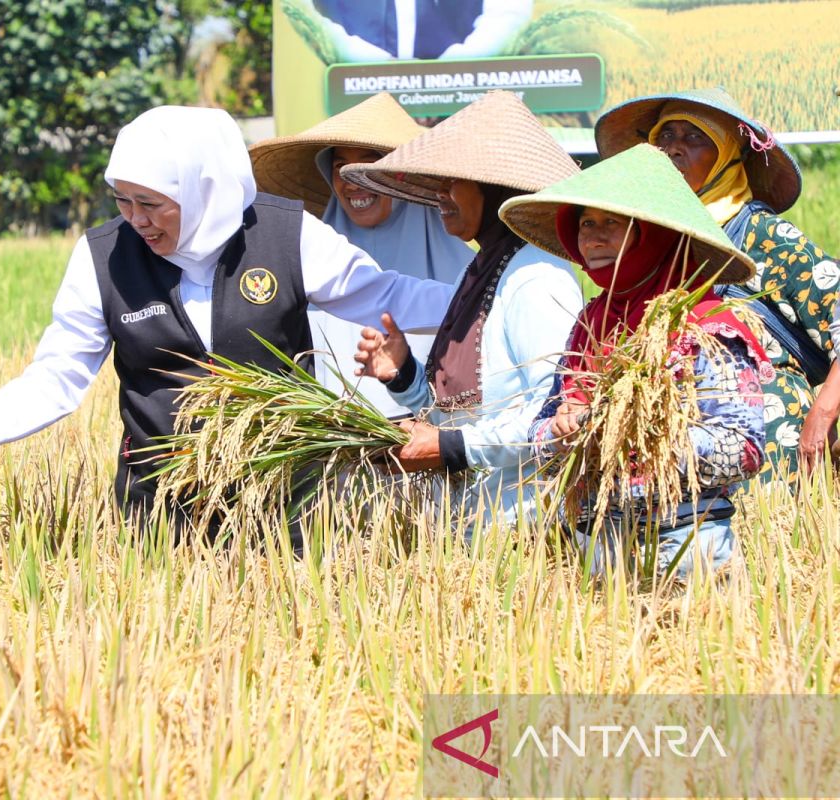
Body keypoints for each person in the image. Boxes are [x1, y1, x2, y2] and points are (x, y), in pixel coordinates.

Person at [0, 105, 460, 532]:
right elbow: (59, 372)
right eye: (122, 201)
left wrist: (481, 297)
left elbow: (385, 295)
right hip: (159, 506)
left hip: (283, 500)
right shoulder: (102, 257)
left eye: (151, 203)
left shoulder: (285, 235)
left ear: (203, 190)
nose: (135, 219)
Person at [497, 143, 769, 577]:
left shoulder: (706, 325)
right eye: (586, 223)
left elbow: (746, 449)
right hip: (598, 544)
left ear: (653, 233)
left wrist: (636, 432)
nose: (594, 237)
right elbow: (541, 427)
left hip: (684, 545)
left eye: (613, 223)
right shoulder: (590, 322)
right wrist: (560, 431)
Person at [342, 90, 582, 531]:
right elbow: (453, 412)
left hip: (523, 524)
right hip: (468, 526)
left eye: (452, 182)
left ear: (494, 186)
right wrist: (403, 374)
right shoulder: (477, 271)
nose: (440, 197)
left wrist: (450, 447)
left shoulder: (537, 278)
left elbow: (552, 414)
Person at [595, 87, 839, 482]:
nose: (674, 149)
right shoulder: (653, 242)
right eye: (665, 137)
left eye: (694, 138)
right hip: (683, 463)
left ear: (727, 156)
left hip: (772, 453)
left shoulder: (762, 233)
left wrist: (824, 412)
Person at [249, 92, 472, 418]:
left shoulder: (473, 278)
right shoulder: (308, 266)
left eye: (368, 165)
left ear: (406, 178)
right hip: (333, 457)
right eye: (340, 167)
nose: (351, 181)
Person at [292, 0, 533, 62]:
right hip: (357, 101)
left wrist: (437, 81)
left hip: (454, 107)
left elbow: (509, 15)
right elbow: (310, 23)